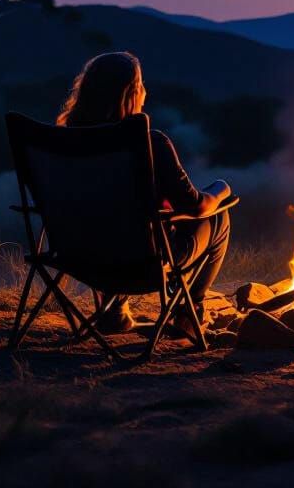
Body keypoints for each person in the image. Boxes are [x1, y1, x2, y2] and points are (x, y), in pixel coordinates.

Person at [56, 51, 232, 337]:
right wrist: (221, 189)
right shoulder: (150, 143)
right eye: (141, 85)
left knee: (115, 221)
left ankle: (113, 314)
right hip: (140, 262)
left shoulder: (62, 142)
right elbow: (195, 206)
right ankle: (188, 314)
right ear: (132, 93)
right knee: (218, 217)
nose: (145, 91)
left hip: (77, 255)